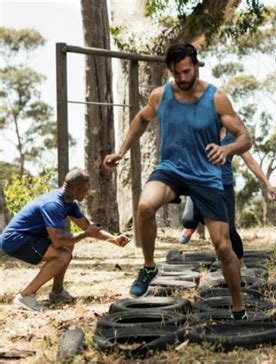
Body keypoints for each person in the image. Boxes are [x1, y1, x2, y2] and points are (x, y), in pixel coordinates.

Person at [103, 43, 251, 319]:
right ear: (169, 71)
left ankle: (238, 306)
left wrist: (226, 149)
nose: (181, 78)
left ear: (195, 66)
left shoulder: (216, 98)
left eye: (186, 71)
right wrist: (121, 150)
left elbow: (245, 137)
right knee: (145, 207)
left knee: (223, 245)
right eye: (176, 73)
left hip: (205, 176)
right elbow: (140, 119)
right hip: (171, 169)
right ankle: (148, 267)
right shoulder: (161, 96)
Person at [0, 169, 129, 312]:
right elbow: (59, 241)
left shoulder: (69, 203)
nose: (88, 192)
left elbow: (87, 226)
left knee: (69, 245)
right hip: (15, 240)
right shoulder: (53, 204)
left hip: (30, 237)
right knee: (63, 254)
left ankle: (57, 292)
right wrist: (86, 234)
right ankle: (25, 296)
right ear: (79, 188)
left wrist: (113, 239)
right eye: (87, 188)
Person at [178, 127, 276, 268]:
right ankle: (193, 224)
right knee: (188, 220)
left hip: (224, 186)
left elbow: (250, 162)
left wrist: (267, 183)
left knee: (229, 229)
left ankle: (241, 264)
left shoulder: (232, 138)